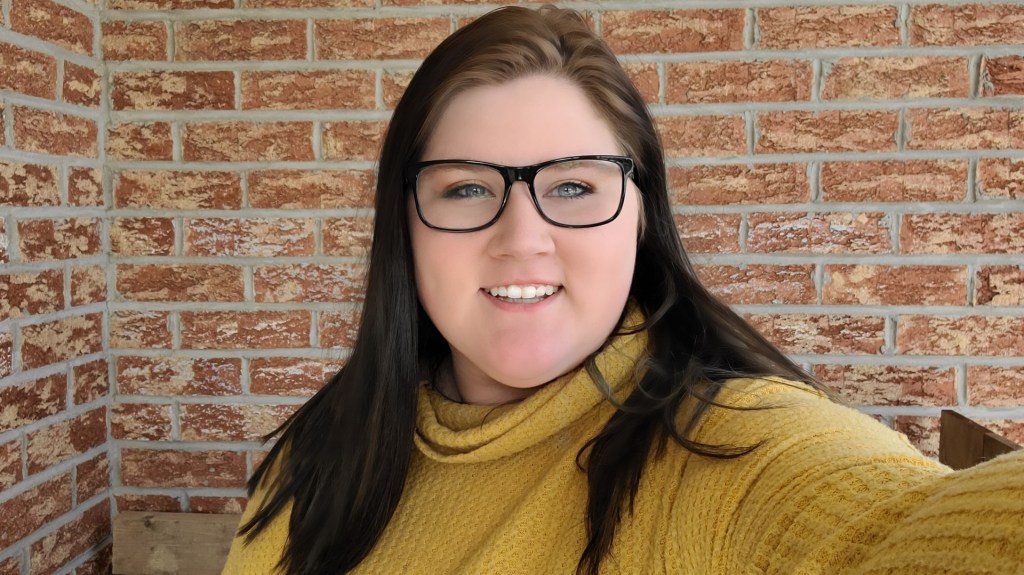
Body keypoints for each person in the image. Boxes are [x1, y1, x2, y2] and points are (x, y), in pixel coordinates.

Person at [222, 5, 1024, 574]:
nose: (522, 237)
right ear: (406, 224)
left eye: (573, 187)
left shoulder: (722, 449)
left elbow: (897, 523)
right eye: (466, 189)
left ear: (640, 216)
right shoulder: (321, 450)